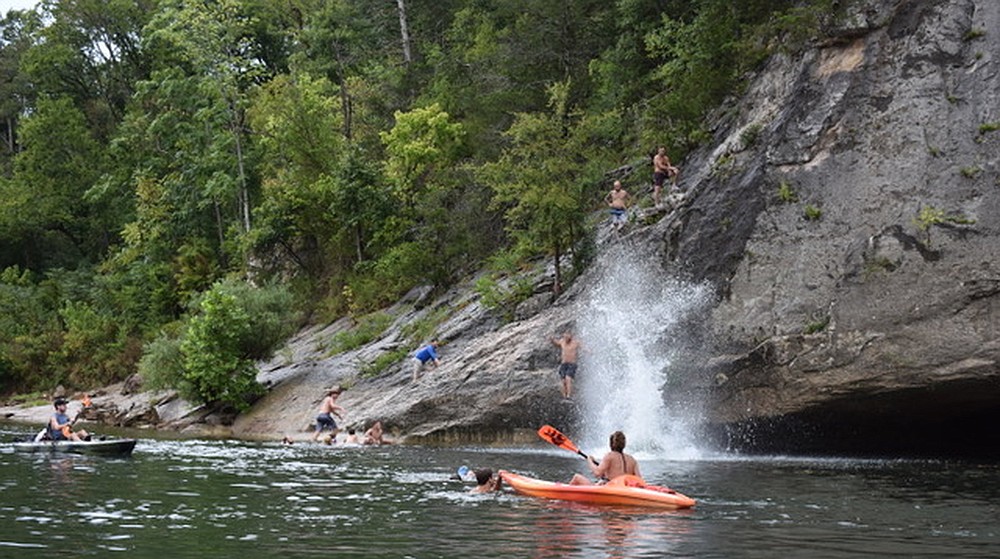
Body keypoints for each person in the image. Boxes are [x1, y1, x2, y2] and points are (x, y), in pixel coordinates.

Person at [569, 431, 641, 485]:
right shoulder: (632, 460)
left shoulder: (609, 456)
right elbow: (639, 480)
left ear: (611, 444)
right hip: (625, 489)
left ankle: (564, 499)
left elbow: (597, 473)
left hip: (611, 488)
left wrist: (589, 460)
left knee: (576, 477)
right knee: (601, 482)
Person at [550, 331, 580, 399]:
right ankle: (564, 396)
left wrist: (589, 351)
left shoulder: (575, 343)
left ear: (571, 336)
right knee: (563, 381)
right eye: (565, 335)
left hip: (572, 364)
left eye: (567, 335)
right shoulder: (562, 341)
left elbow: (583, 347)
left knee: (568, 378)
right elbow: (556, 342)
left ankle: (569, 395)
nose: (566, 337)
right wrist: (551, 339)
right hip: (564, 364)